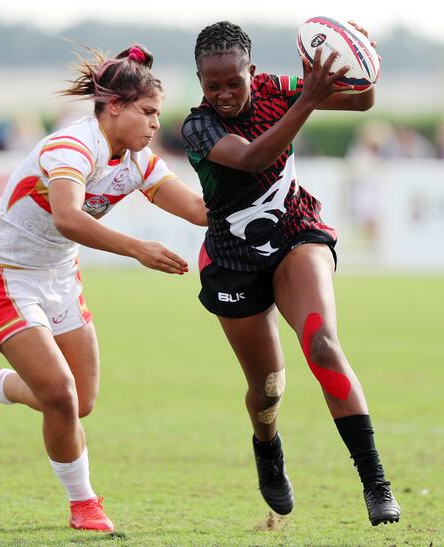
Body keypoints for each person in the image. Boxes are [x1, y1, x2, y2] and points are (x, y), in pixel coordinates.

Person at [0, 44, 207, 533]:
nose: (156, 124)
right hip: (3, 275)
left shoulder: (136, 159)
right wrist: (137, 249)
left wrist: (260, 203)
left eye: (158, 115)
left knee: (79, 401)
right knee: (62, 396)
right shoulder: (72, 146)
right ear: (115, 106)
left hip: (59, 276)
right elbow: (68, 217)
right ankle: (83, 505)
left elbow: (198, 211)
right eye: (148, 112)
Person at [180, 21, 401, 526]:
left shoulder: (278, 89)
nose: (224, 93)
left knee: (322, 345)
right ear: (199, 82)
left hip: (296, 233)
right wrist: (308, 100)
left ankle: (376, 484)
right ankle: (268, 446)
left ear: (251, 72)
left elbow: (362, 103)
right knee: (269, 388)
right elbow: (253, 157)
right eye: (211, 85)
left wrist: (360, 58)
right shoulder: (198, 126)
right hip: (233, 261)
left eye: (234, 81)